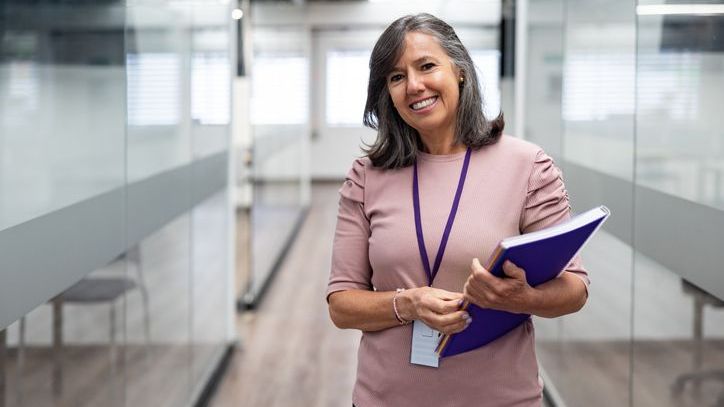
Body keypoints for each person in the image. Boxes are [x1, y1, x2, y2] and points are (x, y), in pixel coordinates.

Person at [326, 13, 589, 407]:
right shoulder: (367, 176)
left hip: (501, 397)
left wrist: (520, 298)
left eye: (426, 66)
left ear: (460, 71)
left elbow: (575, 289)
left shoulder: (527, 165)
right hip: (387, 397)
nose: (414, 85)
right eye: (396, 77)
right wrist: (408, 303)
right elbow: (342, 305)